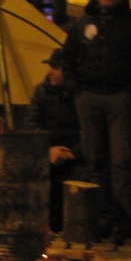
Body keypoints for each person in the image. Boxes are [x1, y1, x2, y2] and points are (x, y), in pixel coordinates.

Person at [61, 0, 131, 247]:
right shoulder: (83, 23)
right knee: (94, 161)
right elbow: (68, 58)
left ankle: (121, 223)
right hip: (88, 97)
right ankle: (98, 220)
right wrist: (76, 89)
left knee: (121, 162)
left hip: (120, 99)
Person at [26, 47, 82, 232]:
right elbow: (32, 125)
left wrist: (74, 152)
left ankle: (74, 228)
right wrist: (48, 150)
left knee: (81, 175)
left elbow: (89, 130)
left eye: (55, 68)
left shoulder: (80, 95)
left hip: (73, 153)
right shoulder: (42, 92)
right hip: (49, 152)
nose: (50, 71)